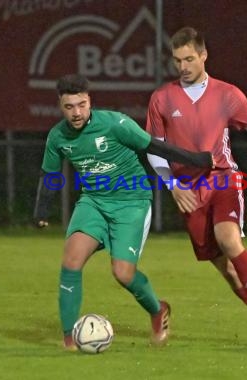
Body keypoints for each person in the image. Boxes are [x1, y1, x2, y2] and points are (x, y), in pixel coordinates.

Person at [145, 27, 247, 348]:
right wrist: (172, 185)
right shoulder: (161, 98)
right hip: (188, 190)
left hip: (222, 178)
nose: (184, 66)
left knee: (229, 240)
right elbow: (155, 148)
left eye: (190, 58)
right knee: (228, 272)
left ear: (204, 55)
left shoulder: (227, 94)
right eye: (178, 60)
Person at [33, 74, 214, 350]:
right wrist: (41, 210)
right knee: (71, 261)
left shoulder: (115, 124)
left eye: (81, 105)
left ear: (89, 101)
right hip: (93, 202)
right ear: (60, 105)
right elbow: (50, 174)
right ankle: (70, 339)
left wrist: (197, 159)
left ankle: (157, 311)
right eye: (69, 107)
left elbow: (154, 145)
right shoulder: (58, 136)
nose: (76, 112)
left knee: (123, 274)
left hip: (131, 203)